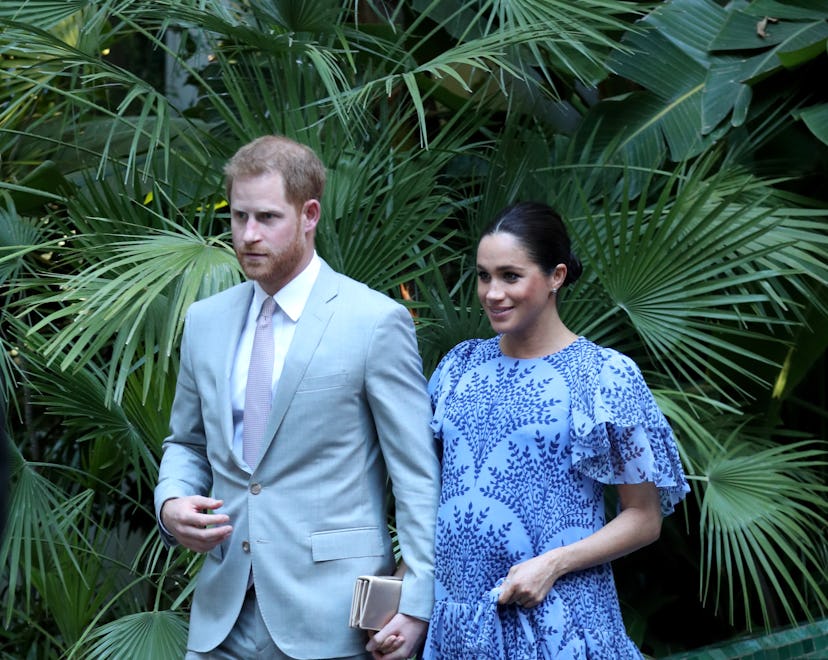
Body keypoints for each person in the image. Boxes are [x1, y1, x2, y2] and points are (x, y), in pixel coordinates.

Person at [154, 135, 440, 660]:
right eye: (238, 217)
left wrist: (417, 603)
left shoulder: (375, 322)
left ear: (310, 214)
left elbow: (416, 475)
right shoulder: (205, 321)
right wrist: (171, 501)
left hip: (332, 621)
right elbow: (187, 443)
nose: (248, 235)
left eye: (266, 217)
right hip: (221, 615)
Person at [422, 202, 690, 658]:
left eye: (510, 275)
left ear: (556, 277)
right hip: (458, 625)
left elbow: (644, 517)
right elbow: (426, 493)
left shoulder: (603, 377)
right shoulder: (457, 368)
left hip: (558, 622)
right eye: (484, 276)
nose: (491, 293)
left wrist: (552, 564)